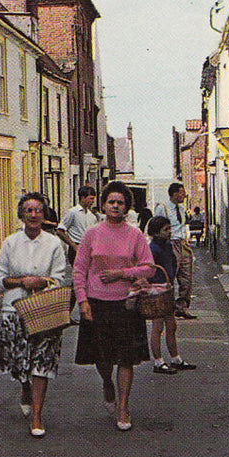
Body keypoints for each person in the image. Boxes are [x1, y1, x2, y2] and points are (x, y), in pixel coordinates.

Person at [73, 181, 156, 431]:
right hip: (97, 303)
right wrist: (83, 301)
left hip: (127, 304)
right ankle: (107, 384)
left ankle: (123, 406)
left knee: (126, 359)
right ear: (104, 204)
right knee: (102, 358)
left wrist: (123, 273)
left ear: (127, 207)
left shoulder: (135, 234)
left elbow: (149, 267)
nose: (116, 206)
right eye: (111, 202)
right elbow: (79, 270)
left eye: (120, 203)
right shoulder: (92, 233)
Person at [0, 192, 70, 438]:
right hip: (15, 310)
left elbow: (59, 278)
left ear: (44, 214)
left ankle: (37, 415)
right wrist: (20, 281)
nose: (34, 215)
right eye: (29, 210)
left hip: (45, 311)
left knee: (42, 363)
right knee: (20, 362)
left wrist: (41, 282)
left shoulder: (54, 244)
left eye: (38, 210)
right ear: (21, 215)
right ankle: (25, 388)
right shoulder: (10, 243)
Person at [146, 216, 197, 374]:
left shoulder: (168, 245)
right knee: (158, 326)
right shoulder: (152, 248)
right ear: (156, 232)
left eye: (169, 229)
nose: (169, 232)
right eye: (166, 230)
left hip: (168, 288)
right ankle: (158, 361)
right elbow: (148, 269)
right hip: (156, 290)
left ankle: (175, 358)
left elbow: (173, 262)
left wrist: (171, 277)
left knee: (171, 325)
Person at [154, 183, 196, 319]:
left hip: (182, 244)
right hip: (169, 244)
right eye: (182, 193)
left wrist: (185, 239)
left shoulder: (182, 209)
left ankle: (182, 306)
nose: (184, 196)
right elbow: (156, 226)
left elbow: (183, 226)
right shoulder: (163, 208)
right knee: (169, 275)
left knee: (187, 277)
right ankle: (167, 306)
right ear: (175, 194)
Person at [56, 186, 98, 268]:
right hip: (76, 248)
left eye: (93, 199)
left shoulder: (92, 215)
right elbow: (60, 231)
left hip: (89, 248)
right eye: (91, 198)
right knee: (78, 274)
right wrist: (73, 245)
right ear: (83, 198)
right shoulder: (73, 212)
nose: (93, 202)